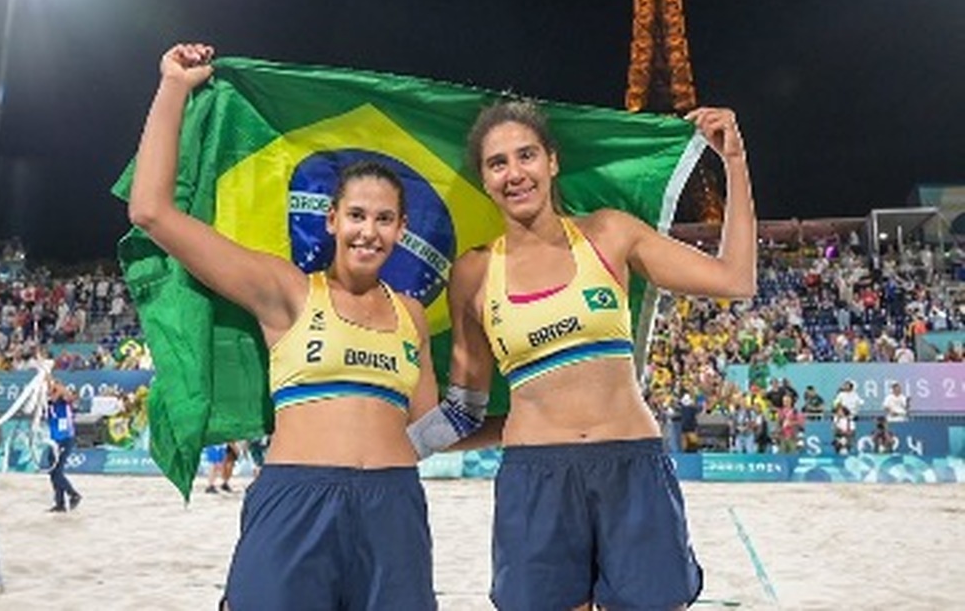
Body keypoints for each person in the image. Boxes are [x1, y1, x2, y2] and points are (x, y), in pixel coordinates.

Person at [129, 43, 439, 611]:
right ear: (331, 219)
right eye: (357, 215)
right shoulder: (288, 292)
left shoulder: (410, 315)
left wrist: (529, 422)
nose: (368, 231)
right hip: (295, 500)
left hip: (394, 509)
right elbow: (151, 211)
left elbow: (429, 433)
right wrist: (173, 87)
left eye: (384, 219)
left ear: (401, 230)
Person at [411, 100, 756, 610]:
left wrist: (734, 162)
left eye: (526, 155)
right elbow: (464, 412)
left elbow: (735, 279)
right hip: (535, 478)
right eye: (497, 163)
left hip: (631, 466)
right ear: (483, 180)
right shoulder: (475, 274)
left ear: (553, 161)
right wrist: (403, 441)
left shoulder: (609, 233)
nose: (515, 173)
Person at [46, 378, 82, 512]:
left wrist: (57, 386)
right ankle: (60, 503)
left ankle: (74, 494)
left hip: (66, 439)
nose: (50, 391)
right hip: (54, 440)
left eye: (53, 389)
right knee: (52, 472)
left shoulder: (65, 401)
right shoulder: (48, 402)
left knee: (57, 471)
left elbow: (70, 396)